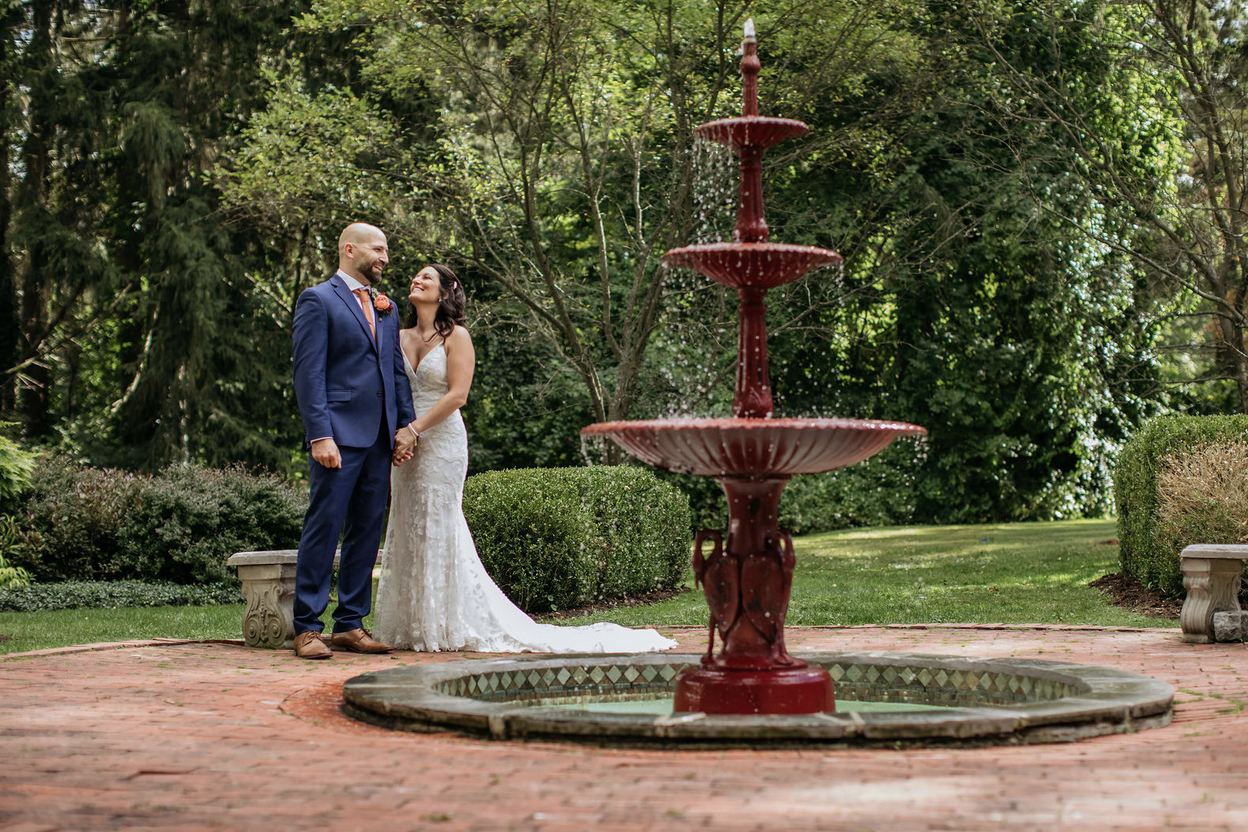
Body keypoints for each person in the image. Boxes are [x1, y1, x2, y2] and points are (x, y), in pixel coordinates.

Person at [374, 264, 676, 653]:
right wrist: (401, 436)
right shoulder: (395, 335)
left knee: (439, 522)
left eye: (426, 277)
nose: (416, 280)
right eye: (414, 275)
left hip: (442, 441)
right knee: (408, 520)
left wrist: (414, 430)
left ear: (447, 291)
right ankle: (411, 625)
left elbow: (457, 396)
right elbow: (393, 388)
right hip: (406, 443)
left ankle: (445, 624)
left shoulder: (457, 337)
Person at [289, 223, 417, 659]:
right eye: (378, 249)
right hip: (338, 437)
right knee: (324, 528)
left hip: (381, 437)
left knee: (366, 531)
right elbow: (308, 374)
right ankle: (306, 627)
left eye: (386, 251)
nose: (385, 257)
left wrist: (405, 427)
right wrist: (320, 435)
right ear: (349, 249)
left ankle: (349, 624)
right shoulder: (318, 300)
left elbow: (395, 373)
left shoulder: (388, 307)